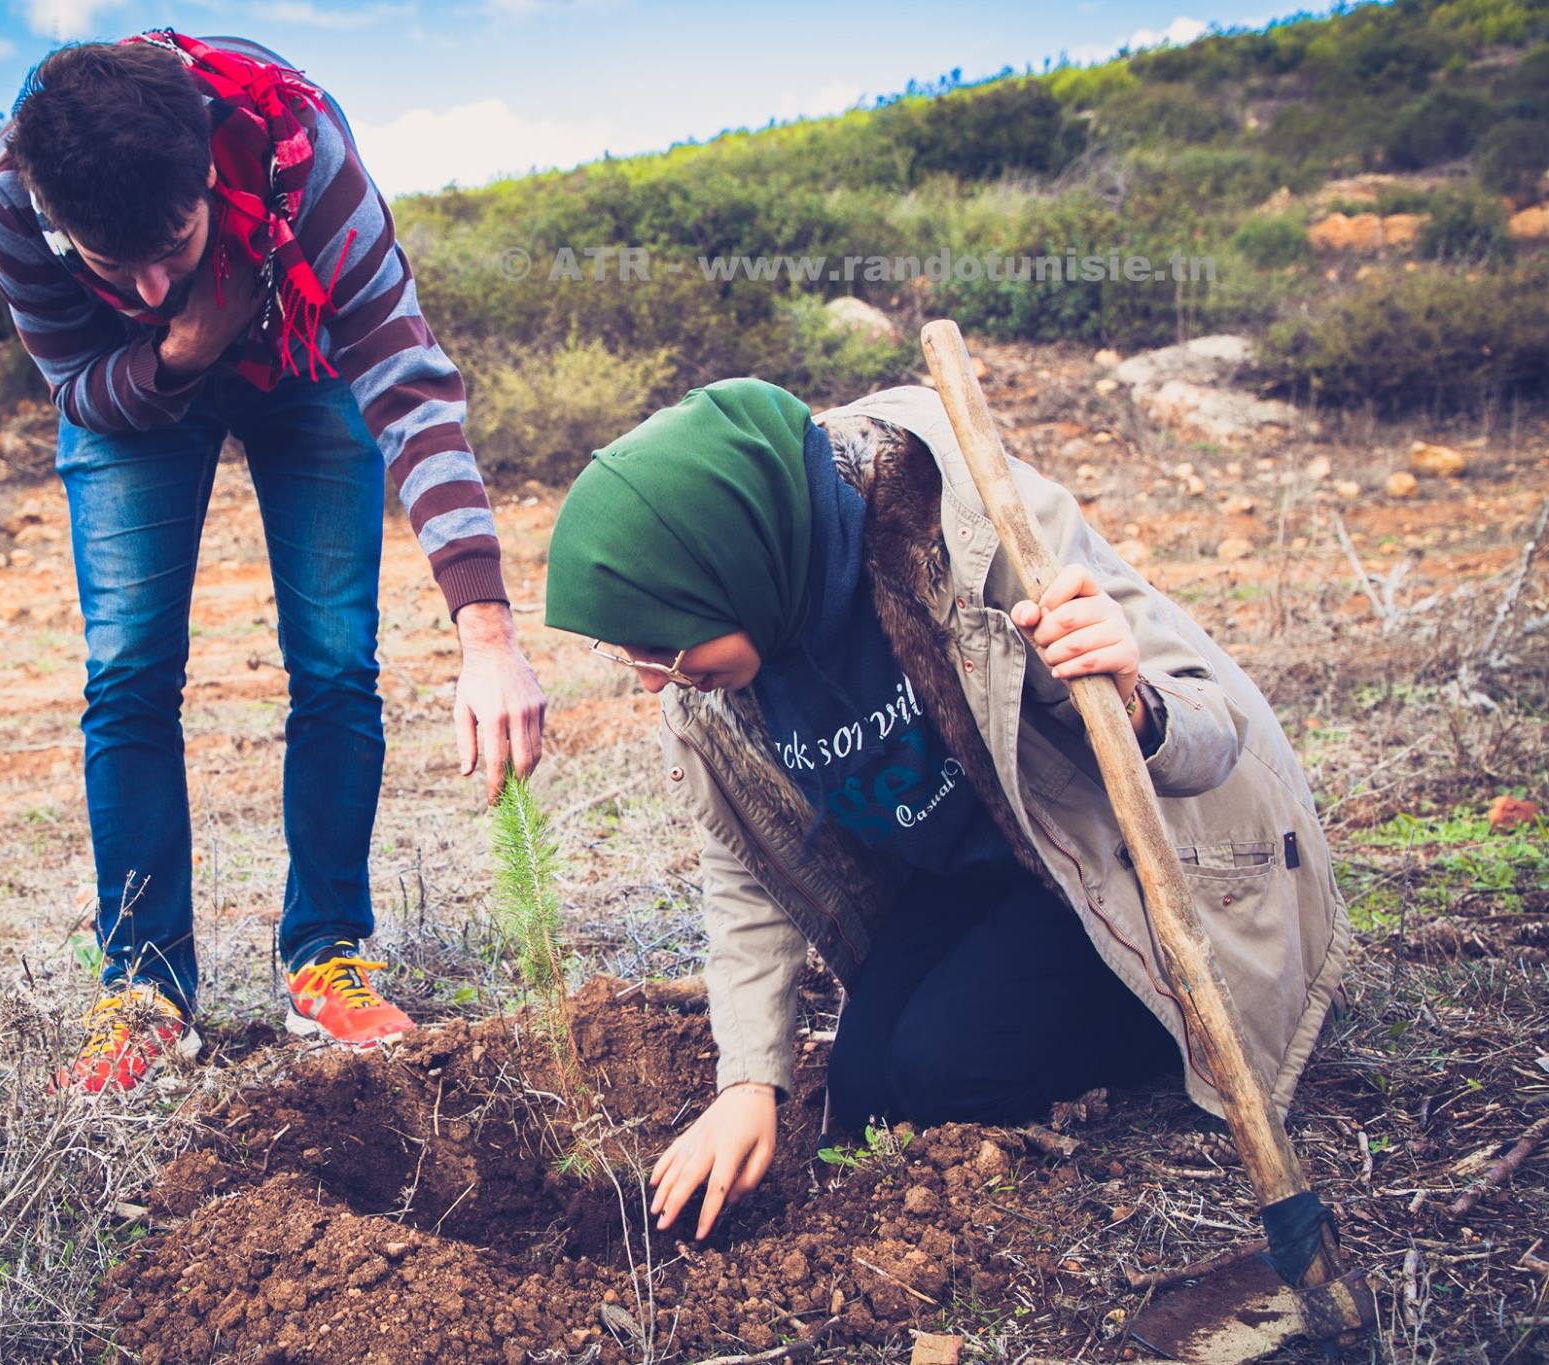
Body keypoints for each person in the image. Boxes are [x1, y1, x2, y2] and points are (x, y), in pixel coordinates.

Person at [542, 378, 1349, 1238]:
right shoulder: (717, 676)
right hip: (976, 870)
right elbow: (749, 871)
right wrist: (750, 1079)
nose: (650, 678)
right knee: (864, 1090)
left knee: (943, 1075)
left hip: (1111, 856)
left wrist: (1128, 694)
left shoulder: (964, 526)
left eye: (665, 642)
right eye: (626, 651)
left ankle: (1166, 1013)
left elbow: (1209, 734)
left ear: (738, 563)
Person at [0, 30, 546, 1093]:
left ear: (204, 168)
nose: (147, 282)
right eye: (111, 261)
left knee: (334, 656)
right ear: (56, 217)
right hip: (137, 395)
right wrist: (178, 347)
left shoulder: (301, 149)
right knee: (128, 672)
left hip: (307, 359)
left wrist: (488, 632)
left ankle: (325, 952)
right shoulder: (12, 192)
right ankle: (143, 987)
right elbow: (77, 385)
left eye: (173, 241)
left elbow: (408, 385)